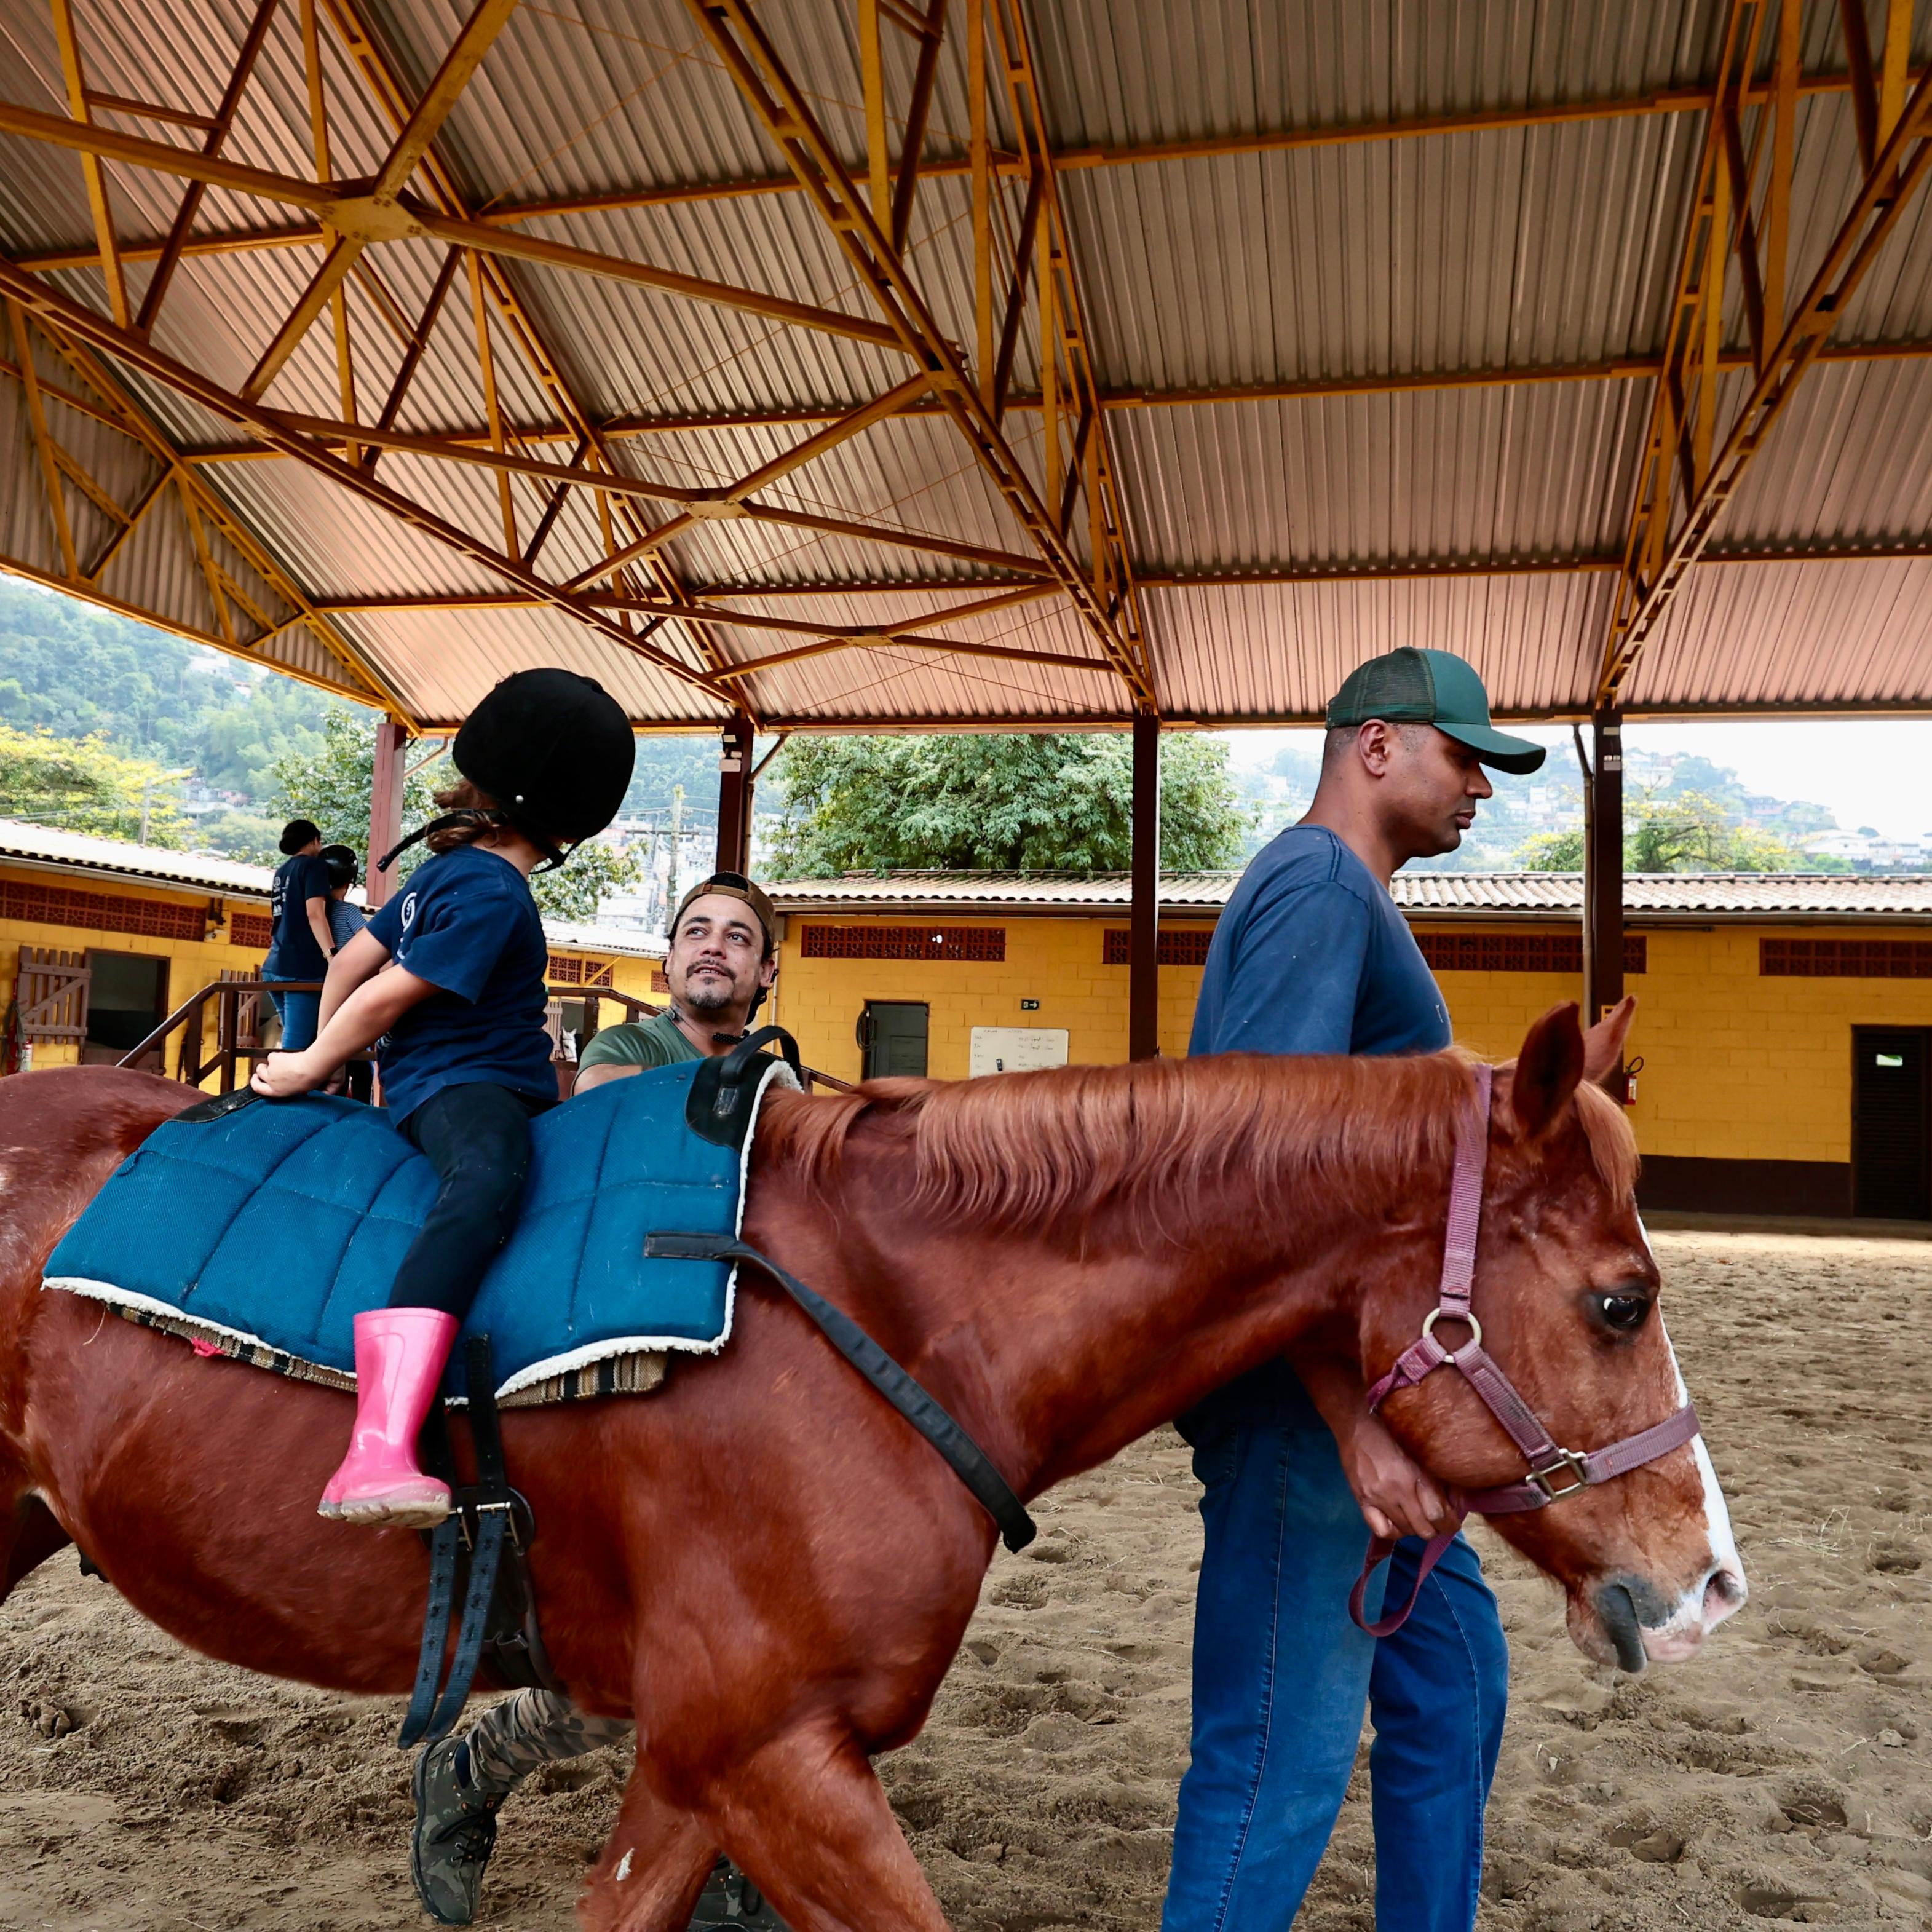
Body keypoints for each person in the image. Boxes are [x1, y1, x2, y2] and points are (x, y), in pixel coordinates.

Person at [1164, 647, 1545, 1932]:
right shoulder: (1320, 882)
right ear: (1373, 744)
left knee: (1457, 1683)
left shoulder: (1350, 899)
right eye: (1464, 756)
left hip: (1375, 1395)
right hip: (1306, 1408)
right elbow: (1255, 1191)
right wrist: (1351, 1419)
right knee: (1274, 1754)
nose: (1482, 786)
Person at [407, 869, 783, 1931]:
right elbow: (634, 1156)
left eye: (738, 936)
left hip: (745, 1385)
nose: (713, 946)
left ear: (763, 971)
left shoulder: (778, 1069)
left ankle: (721, 1854)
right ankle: (481, 1766)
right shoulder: (635, 1055)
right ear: (668, 964)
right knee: (630, 1660)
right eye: (695, 931)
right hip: (620, 1368)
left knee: (747, 1642)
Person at [250, 670, 635, 1529]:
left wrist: (320, 1034)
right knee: (488, 1183)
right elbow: (389, 994)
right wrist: (312, 1062)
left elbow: (351, 964)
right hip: (469, 1089)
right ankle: (379, 1446)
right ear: (573, 821)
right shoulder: (497, 892)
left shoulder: (444, 874)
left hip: (443, 1080)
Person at [262, 818, 335, 1051]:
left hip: (274, 966)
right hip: (302, 969)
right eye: (320, 842)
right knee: (296, 1048)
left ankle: (288, 1086)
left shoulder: (281, 872)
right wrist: (332, 956)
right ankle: (281, 1087)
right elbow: (315, 914)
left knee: (296, 1040)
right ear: (314, 841)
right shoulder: (314, 867)